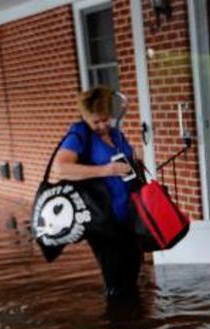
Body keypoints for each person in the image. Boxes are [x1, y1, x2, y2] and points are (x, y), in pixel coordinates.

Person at [52, 86, 143, 301]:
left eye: (105, 120)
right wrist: (105, 170)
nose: (102, 126)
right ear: (85, 118)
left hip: (128, 216)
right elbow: (61, 168)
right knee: (116, 281)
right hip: (103, 220)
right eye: (96, 122)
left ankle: (135, 327)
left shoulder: (115, 134)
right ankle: (118, 328)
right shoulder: (79, 135)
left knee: (132, 272)